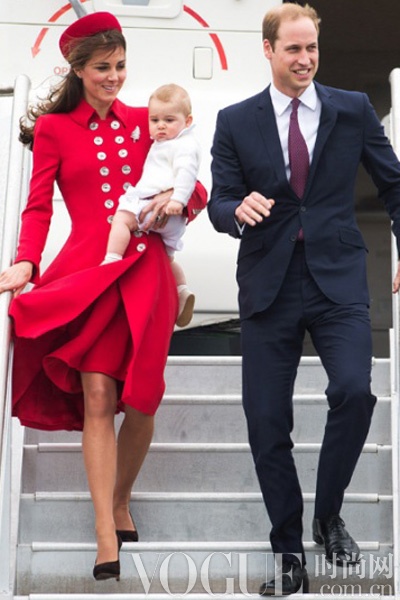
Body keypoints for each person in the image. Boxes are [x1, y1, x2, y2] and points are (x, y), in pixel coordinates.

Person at [0, 12, 206, 582]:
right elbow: (37, 206)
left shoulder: (147, 119)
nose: (114, 76)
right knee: (97, 394)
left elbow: (194, 174)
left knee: (142, 400)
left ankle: (121, 498)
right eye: (102, 68)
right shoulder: (53, 130)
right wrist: (27, 260)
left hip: (145, 270)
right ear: (78, 69)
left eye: (120, 65)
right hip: (90, 268)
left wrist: (179, 202)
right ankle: (103, 532)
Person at [208, 2, 400, 596]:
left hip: (337, 277)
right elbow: (219, 201)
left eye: (311, 47)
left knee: (354, 391)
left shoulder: (352, 108)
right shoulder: (235, 120)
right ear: (268, 50)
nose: (305, 59)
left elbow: (394, 183)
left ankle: (328, 515)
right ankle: (287, 551)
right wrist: (236, 209)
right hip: (268, 284)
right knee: (267, 420)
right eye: (293, 48)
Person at [103, 83, 201, 328]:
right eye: (155, 120)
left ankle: (111, 260)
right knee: (169, 259)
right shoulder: (170, 141)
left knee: (122, 219)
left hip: (157, 208)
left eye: (169, 120)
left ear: (188, 121)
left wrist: (177, 199)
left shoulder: (182, 144)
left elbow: (188, 174)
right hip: (173, 221)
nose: (160, 126)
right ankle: (182, 290)